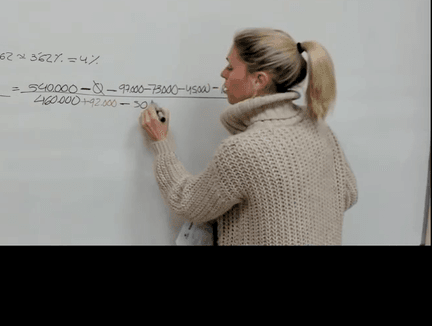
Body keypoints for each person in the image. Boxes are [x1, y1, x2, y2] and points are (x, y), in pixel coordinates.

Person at [139, 28, 358, 245]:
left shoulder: (243, 150)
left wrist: (162, 145)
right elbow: (348, 193)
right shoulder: (318, 127)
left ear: (259, 80)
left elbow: (187, 203)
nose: (223, 73)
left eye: (230, 67)